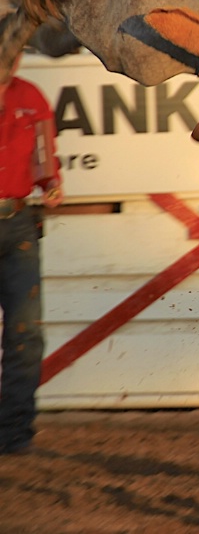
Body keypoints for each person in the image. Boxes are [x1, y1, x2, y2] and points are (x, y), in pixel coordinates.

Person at [0, 51, 63, 456]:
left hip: (18, 221)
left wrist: (50, 183)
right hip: (17, 226)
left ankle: (13, 434)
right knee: (24, 332)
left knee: (26, 334)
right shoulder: (28, 97)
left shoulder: (31, 97)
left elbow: (44, 156)